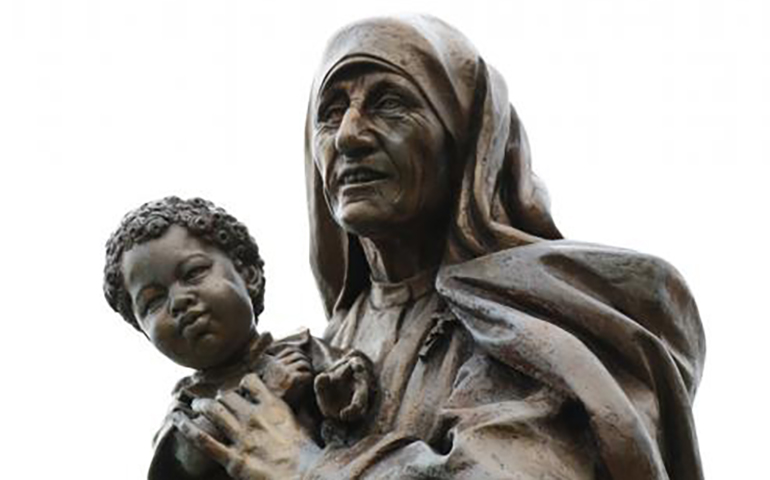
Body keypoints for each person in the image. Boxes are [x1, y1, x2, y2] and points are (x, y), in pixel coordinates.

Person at [179, 15, 706, 479]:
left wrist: (307, 467)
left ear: (464, 139)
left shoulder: (545, 321)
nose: (349, 136)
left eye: (390, 103)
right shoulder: (324, 348)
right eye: (331, 111)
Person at [103, 197, 373, 479]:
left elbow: (352, 375)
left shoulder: (301, 349)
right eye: (153, 302)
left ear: (249, 274)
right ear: (146, 334)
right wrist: (264, 393)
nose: (179, 301)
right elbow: (184, 457)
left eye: (194, 273)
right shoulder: (188, 407)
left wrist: (339, 388)